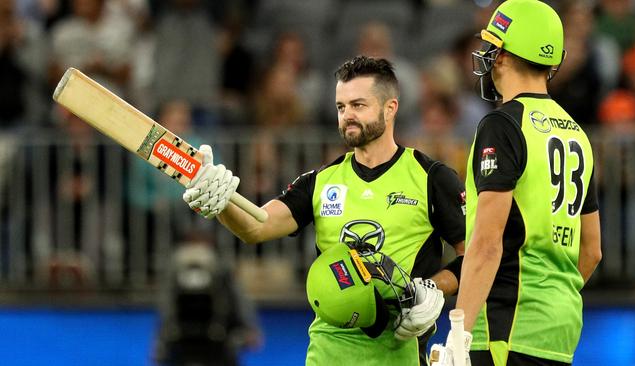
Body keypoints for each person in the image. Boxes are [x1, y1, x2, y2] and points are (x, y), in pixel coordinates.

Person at [182, 55, 467, 365]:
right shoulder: (320, 181)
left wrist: (430, 289)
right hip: (325, 355)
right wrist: (221, 202)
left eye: (358, 105)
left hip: (400, 354)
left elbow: (475, 257)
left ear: (390, 108)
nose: (347, 116)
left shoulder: (431, 178)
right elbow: (256, 226)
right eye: (341, 107)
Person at [430, 1, 602, 365]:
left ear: (503, 55)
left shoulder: (503, 124)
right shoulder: (577, 133)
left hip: (503, 329)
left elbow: (488, 243)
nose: (486, 55)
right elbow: (591, 251)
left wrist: (458, 337)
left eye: (492, 45)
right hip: (558, 330)